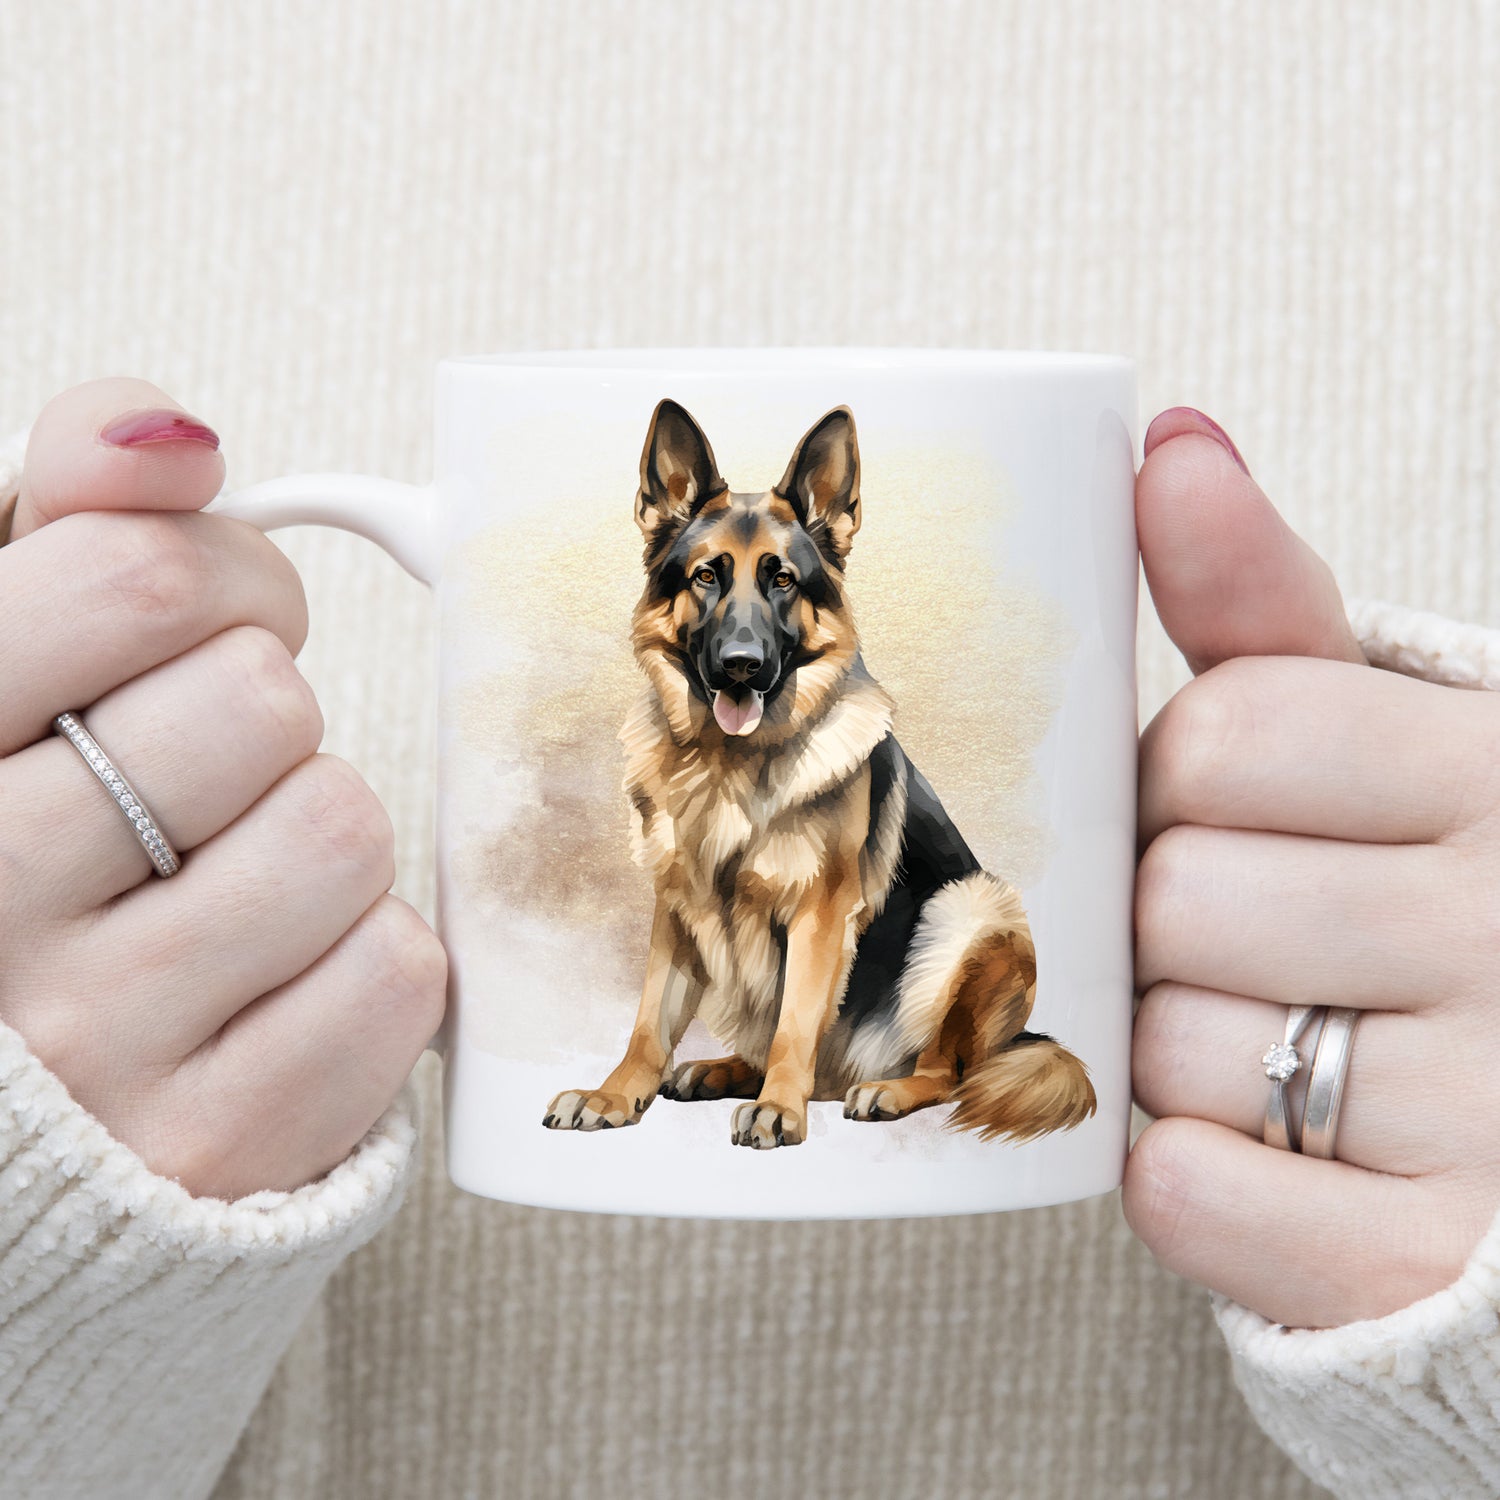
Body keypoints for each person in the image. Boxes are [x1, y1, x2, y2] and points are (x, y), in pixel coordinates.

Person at [2, 380, 1499, 1500]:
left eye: (783, 583)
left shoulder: (842, 744)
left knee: (962, 915)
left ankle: (866, 1077)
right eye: (708, 580)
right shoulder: (676, 747)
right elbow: (683, 920)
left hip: (921, 1004)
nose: (743, 621)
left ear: (832, 557)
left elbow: (838, 917)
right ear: (660, 553)